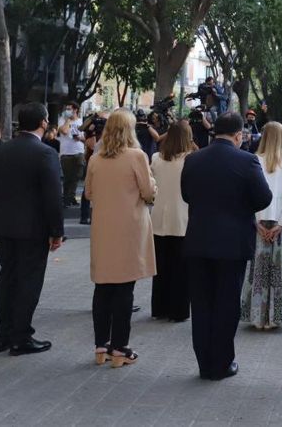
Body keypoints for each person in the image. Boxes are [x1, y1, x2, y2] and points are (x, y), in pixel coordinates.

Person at [181, 112, 272, 380]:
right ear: (238, 135)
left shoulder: (193, 159)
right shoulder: (247, 160)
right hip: (233, 245)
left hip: (198, 241)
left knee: (201, 305)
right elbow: (264, 198)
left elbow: (186, 194)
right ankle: (222, 362)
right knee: (226, 303)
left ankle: (204, 363)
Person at [0, 103, 64, 356]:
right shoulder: (45, 153)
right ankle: (21, 336)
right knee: (28, 281)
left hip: (5, 224)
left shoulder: (2, 150)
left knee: (7, 277)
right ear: (43, 122)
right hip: (33, 228)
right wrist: (57, 231)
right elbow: (53, 196)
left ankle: (3, 334)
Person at [85, 109, 157, 368]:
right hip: (130, 228)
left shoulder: (96, 159)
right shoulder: (137, 156)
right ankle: (120, 348)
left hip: (103, 228)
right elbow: (148, 192)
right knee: (125, 288)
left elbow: (88, 193)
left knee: (102, 286)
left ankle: (101, 345)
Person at [241, 122, 282, 329]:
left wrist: (256, 222)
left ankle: (257, 316)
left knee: (257, 270)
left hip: (260, 221)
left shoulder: (253, 159)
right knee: (280, 272)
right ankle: (276, 317)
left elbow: (249, 194)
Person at [150, 120, 196, 323]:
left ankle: (160, 307)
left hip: (159, 217)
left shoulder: (156, 158)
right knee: (181, 268)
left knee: (160, 267)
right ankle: (178, 310)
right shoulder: (191, 160)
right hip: (183, 218)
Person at [58, 103, 85, 207]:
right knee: (68, 177)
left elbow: (86, 138)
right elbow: (64, 131)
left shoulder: (81, 121)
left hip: (79, 152)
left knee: (77, 176)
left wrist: (80, 138)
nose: (67, 110)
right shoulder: (62, 120)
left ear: (75, 110)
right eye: (67, 109)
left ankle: (70, 197)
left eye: (69, 109)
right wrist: (68, 120)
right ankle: (67, 197)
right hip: (66, 153)